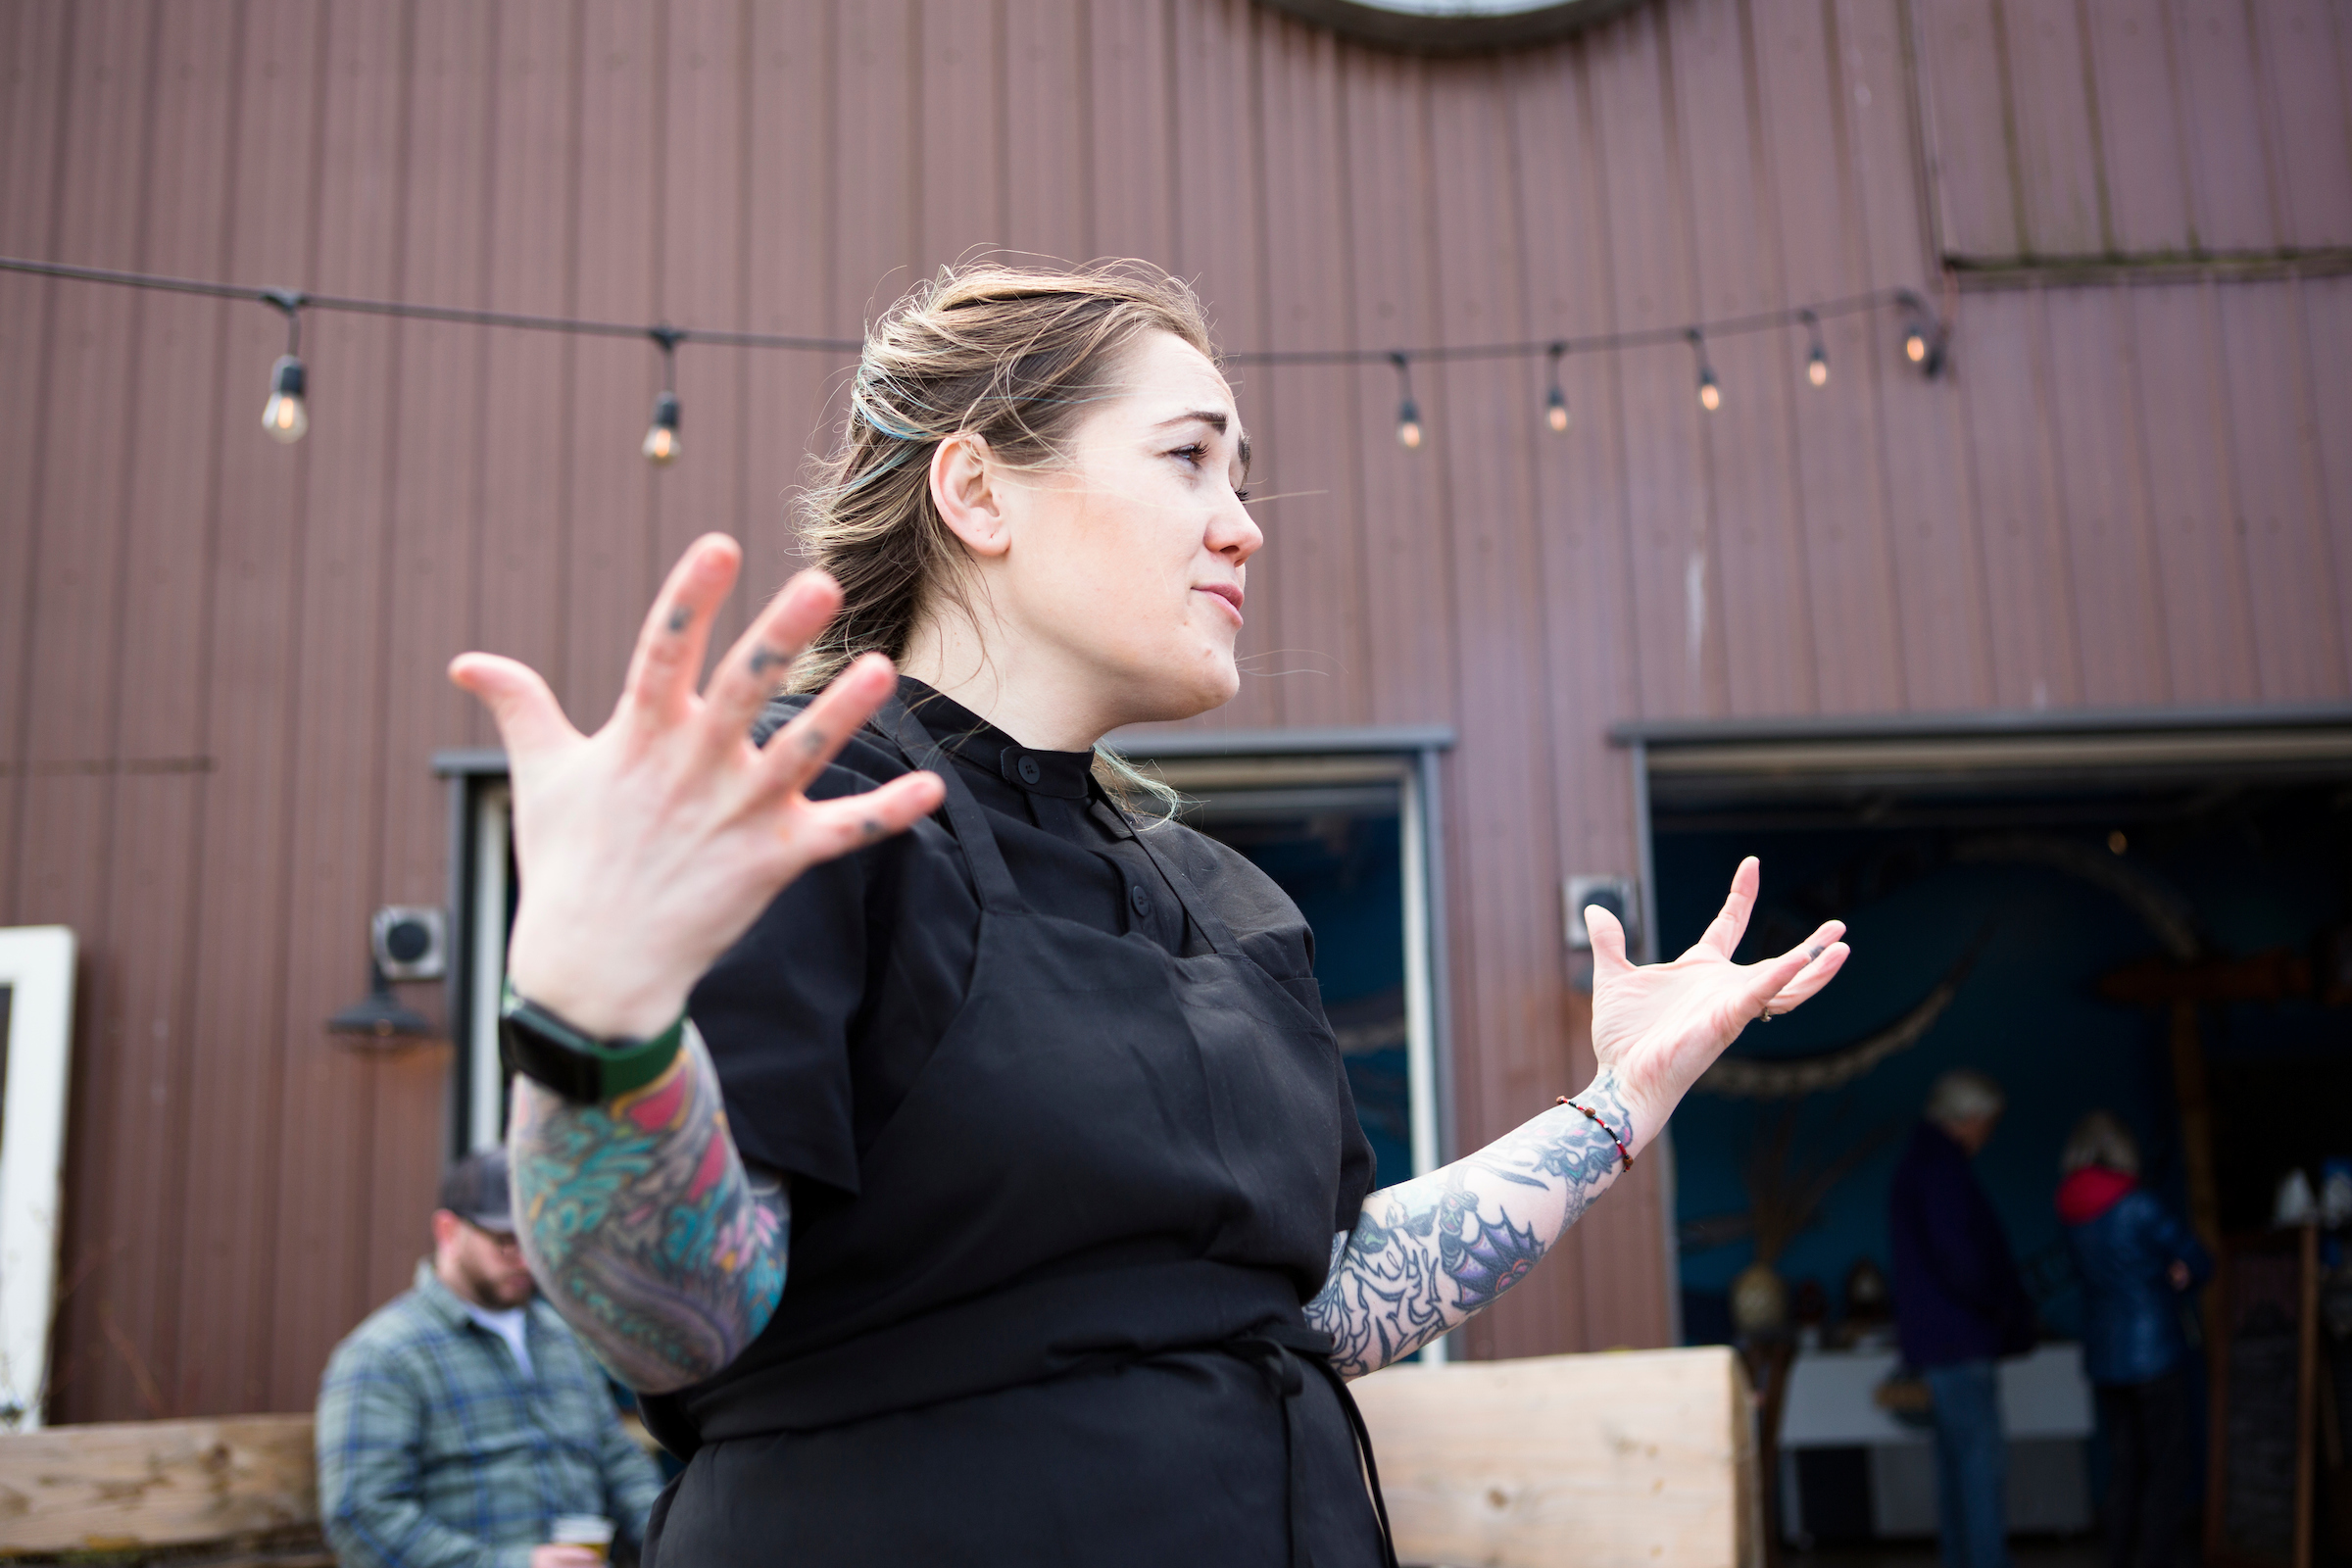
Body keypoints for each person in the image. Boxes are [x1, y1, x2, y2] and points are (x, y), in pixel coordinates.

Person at [448, 261, 1852, 1567]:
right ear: (980, 495)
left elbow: (1312, 1304)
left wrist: (1617, 1106)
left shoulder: (1222, 894)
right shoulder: (808, 816)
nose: (1243, 522)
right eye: (1187, 457)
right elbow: (672, 1321)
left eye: (1239, 475)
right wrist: (592, 1024)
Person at [316, 1150, 663, 1568]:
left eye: (534, 1239)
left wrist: (668, 1544)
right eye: (504, 1239)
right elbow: (362, 1518)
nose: (524, 1257)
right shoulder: (383, 1355)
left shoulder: (563, 1341)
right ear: (447, 1231)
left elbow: (620, 1464)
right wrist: (513, 1564)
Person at [1889, 1068, 2037, 1568]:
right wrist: (1998, 1306)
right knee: (1978, 1469)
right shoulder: (1940, 1170)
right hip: (1960, 1339)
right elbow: (1960, 1258)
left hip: (1940, 1341)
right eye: (1988, 1122)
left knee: (1957, 1468)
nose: (1990, 1132)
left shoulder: (1921, 1164)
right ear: (1968, 1118)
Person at [2057, 1111, 2210, 1568]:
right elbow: (2197, 1258)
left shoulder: (2069, 1207)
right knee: (2167, 1466)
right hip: (2154, 1352)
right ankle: (2154, 1559)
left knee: (2125, 1466)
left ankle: (2117, 1558)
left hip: (2105, 1355)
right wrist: (2181, 1272)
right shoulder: (2138, 1204)